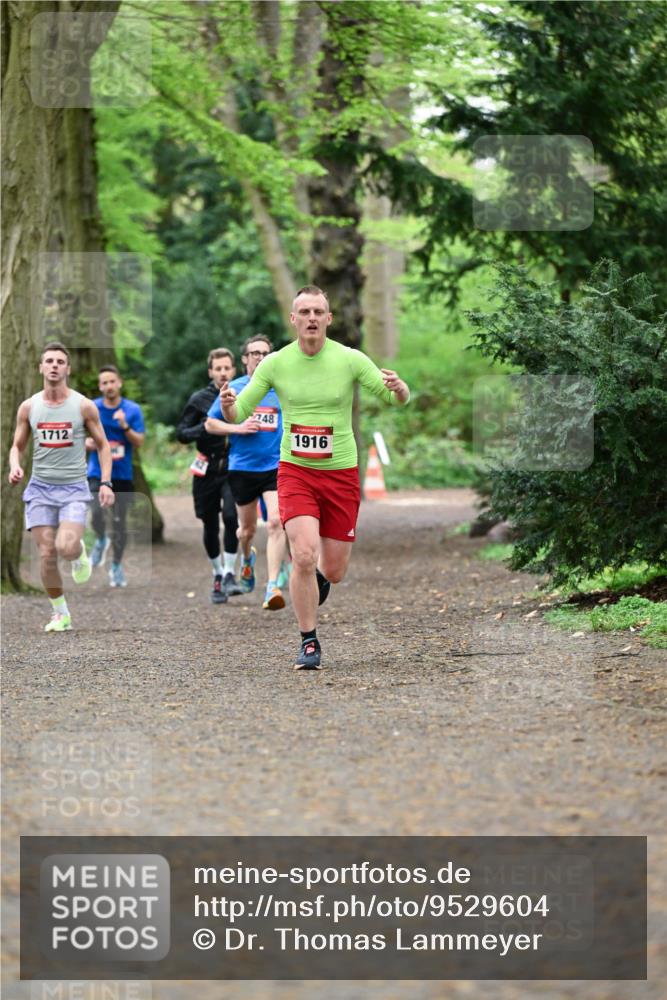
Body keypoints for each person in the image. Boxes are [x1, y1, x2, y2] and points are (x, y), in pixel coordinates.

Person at [220, 286, 410, 669]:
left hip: (340, 473)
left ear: (328, 318)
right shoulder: (275, 363)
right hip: (295, 471)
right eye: (303, 311)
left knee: (334, 571)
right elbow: (239, 413)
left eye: (317, 311)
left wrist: (401, 390)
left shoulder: (349, 359)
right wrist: (228, 406)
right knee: (303, 556)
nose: (310, 318)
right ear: (293, 319)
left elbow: (392, 398)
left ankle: (318, 582)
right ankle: (309, 642)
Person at [8, 341, 115, 632]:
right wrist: (15, 466)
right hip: (40, 488)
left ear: (67, 368)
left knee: (64, 547)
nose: (54, 365)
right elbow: (16, 447)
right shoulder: (29, 407)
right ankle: (60, 614)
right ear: (41, 367)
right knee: (46, 554)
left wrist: (105, 482)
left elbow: (104, 446)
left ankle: (78, 552)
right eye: (49, 361)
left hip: (73, 488)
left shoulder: (83, 406)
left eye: (59, 361)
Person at [205, 335, 289, 611]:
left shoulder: (281, 388)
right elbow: (210, 424)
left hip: (274, 467)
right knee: (246, 530)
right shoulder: (236, 388)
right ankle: (246, 558)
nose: (260, 357)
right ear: (244, 359)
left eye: (265, 353)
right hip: (242, 468)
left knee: (277, 522)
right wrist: (237, 428)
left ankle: (272, 585)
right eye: (254, 353)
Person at [176, 348, 243, 604]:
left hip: (232, 466)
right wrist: (204, 429)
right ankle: (217, 574)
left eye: (227, 367)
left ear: (233, 370)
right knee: (210, 523)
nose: (223, 372)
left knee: (231, 516)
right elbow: (182, 433)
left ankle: (229, 573)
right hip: (206, 468)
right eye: (218, 368)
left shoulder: (241, 394)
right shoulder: (198, 399)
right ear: (210, 372)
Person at [86, 365, 145, 588]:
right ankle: (101, 539)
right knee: (96, 511)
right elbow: (80, 436)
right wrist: (88, 443)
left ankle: (116, 567)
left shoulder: (132, 410)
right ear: (100, 386)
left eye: (112, 381)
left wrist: (124, 426)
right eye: (104, 383)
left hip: (122, 474)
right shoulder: (92, 408)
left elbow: (139, 441)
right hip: (96, 471)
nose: (109, 386)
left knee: (120, 525)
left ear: (119, 383)